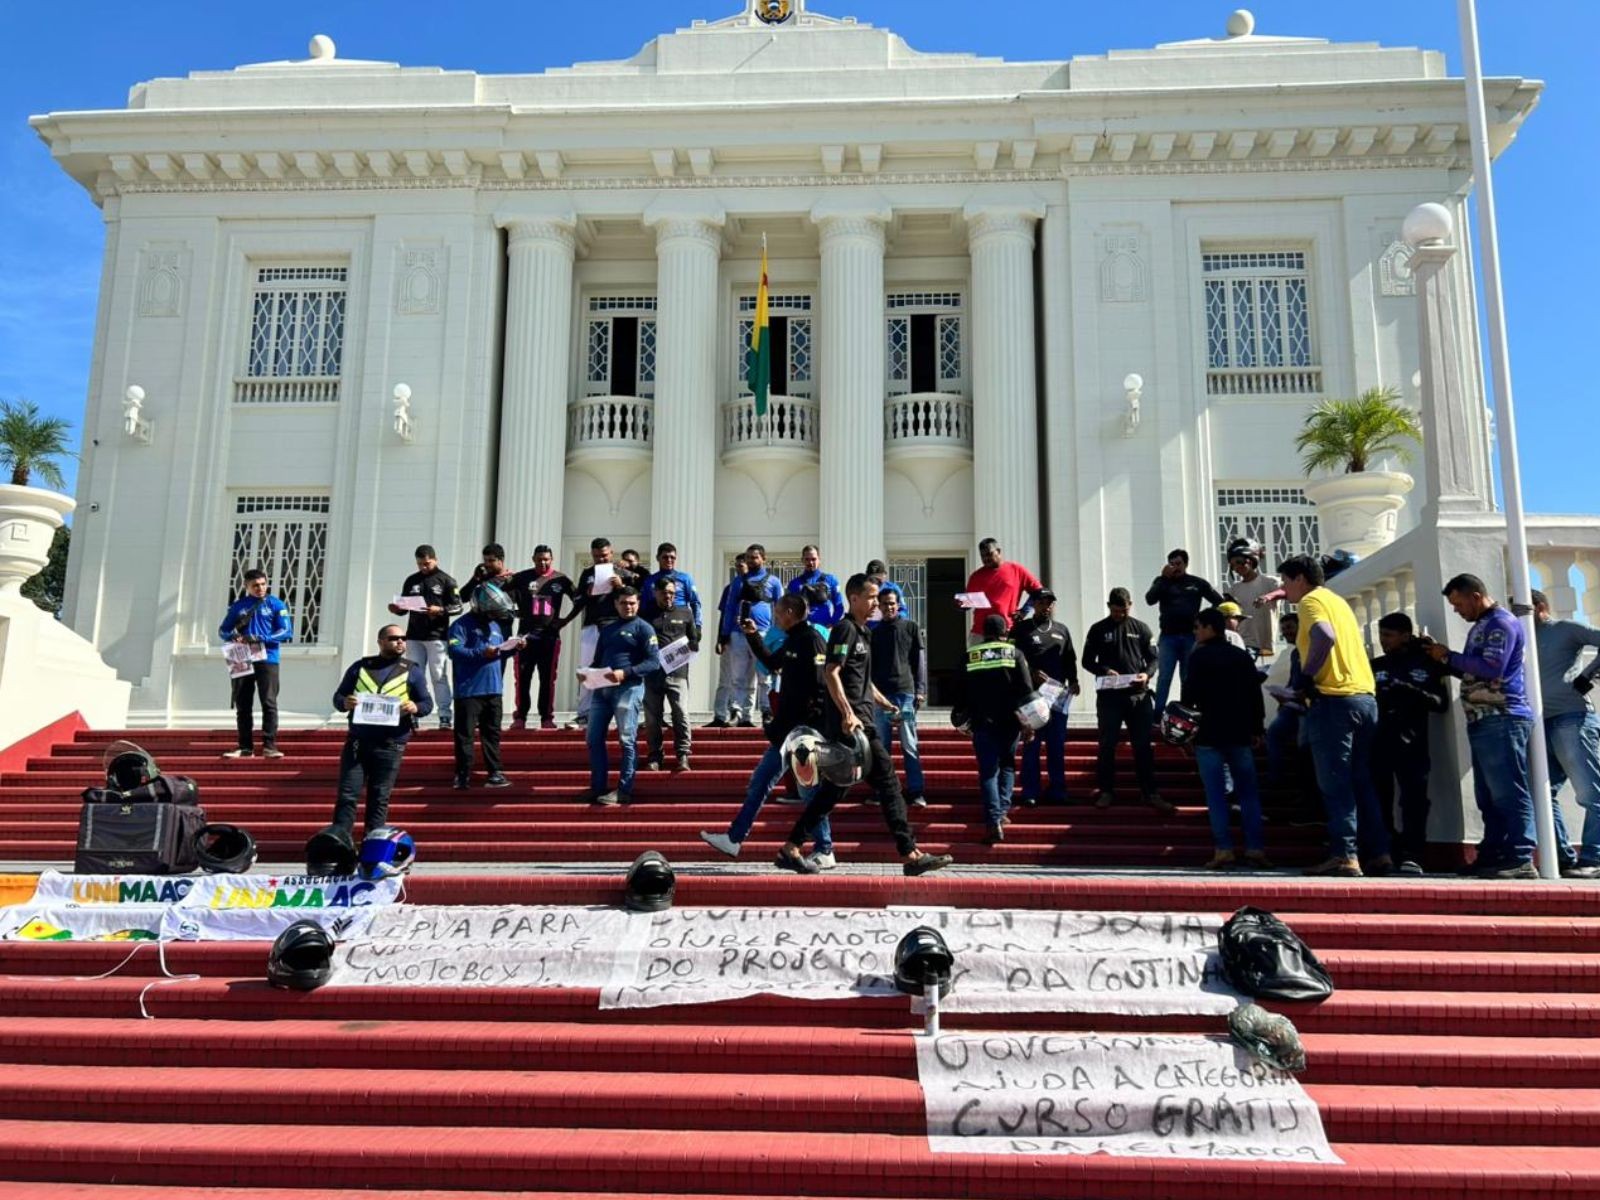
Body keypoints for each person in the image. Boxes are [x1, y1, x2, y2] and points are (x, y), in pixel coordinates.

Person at [774, 574, 953, 876]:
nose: (876, 604)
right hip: (853, 728)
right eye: (871, 597)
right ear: (854, 598)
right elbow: (832, 673)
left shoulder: (863, 632)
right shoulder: (844, 630)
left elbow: (863, 680)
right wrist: (847, 713)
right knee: (890, 784)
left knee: (832, 792)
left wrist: (883, 701)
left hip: (862, 719)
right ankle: (910, 854)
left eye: (878, 598)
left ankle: (791, 847)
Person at [700, 593, 835, 867]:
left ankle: (825, 848)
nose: (774, 617)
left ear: (790, 612)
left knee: (808, 789)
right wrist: (752, 636)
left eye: (777, 612)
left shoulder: (811, 639)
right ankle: (734, 839)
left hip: (802, 732)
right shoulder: (793, 640)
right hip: (786, 731)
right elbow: (772, 663)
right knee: (761, 783)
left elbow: (822, 685)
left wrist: (812, 726)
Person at [1279, 554, 1389, 877]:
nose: (1284, 589)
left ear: (1300, 578)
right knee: (1361, 781)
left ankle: (1344, 854)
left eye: (1285, 582)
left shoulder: (1310, 601)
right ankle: (1379, 852)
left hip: (1333, 701)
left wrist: (1305, 677)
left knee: (1336, 783)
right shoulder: (1337, 602)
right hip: (1364, 698)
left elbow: (1324, 636)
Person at [1424, 573, 1537, 878]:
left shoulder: (1500, 623)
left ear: (1475, 596)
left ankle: (1520, 856)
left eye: (1458, 603)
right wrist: (1445, 659)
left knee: (1508, 791)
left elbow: (1492, 668)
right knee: (1488, 795)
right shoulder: (1483, 627)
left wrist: (1449, 655)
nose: (1457, 610)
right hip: (1483, 718)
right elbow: (1477, 673)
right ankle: (1494, 853)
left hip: (1501, 716)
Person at [1182, 609, 1269, 870]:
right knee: (1248, 794)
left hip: (1208, 734)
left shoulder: (1199, 658)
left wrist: (1186, 730)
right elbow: (1255, 695)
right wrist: (1257, 728)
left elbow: (1189, 695)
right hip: (1240, 733)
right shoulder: (1241, 657)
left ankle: (1224, 850)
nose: (1195, 632)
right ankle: (1255, 849)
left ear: (1210, 628)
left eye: (1198, 627)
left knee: (1216, 795)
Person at [329, 625, 433, 837]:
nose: (400, 642)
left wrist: (415, 707)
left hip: (391, 744)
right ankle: (340, 843)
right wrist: (345, 703)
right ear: (381, 641)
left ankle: (371, 845)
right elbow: (338, 697)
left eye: (403, 638)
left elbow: (426, 703)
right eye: (394, 638)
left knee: (379, 797)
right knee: (347, 794)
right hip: (358, 743)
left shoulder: (412, 669)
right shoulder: (360, 667)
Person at [1371, 612, 1450, 875]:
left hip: (1413, 743)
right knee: (1380, 799)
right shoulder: (1375, 665)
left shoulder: (1425, 664)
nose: (1384, 641)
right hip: (1379, 743)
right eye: (1381, 635)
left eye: (1389, 635)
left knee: (1414, 801)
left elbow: (1441, 704)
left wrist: (1411, 691)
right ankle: (1385, 851)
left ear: (1405, 635)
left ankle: (1412, 853)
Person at [1532, 589, 1600, 877]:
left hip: (1572, 717)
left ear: (1541, 606)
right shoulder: (1521, 637)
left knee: (1590, 792)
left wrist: (1588, 675)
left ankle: (1594, 859)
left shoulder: (1565, 629)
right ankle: (1562, 857)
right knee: (1542, 793)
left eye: (1522, 605)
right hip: (1539, 723)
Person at [1081, 588, 1166, 812]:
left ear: (1130, 605)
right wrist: (1104, 670)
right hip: (1109, 697)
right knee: (1107, 744)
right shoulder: (1098, 629)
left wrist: (1147, 674)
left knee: (1143, 746)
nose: (1121, 614)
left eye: (1125, 609)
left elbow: (1154, 659)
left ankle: (1150, 792)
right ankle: (1106, 791)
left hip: (1138, 696)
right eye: (1117, 610)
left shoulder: (1141, 628)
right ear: (1109, 606)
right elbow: (1087, 661)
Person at [581, 585, 662, 807]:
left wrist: (625, 673)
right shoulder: (607, 629)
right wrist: (587, 673)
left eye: (632, 603)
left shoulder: (644, 629)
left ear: (638, 604)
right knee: (593, 739)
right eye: (624, 603)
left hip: (629, 689)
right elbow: (598, 660)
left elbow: (653, 662)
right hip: (601, 690)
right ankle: (598, 787)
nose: (628, 607)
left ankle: (624, 790)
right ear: (616, 604)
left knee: (627, 740)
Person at [961, 614, 1036, 844]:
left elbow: (960, 691)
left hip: (982, 722)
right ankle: (1002, 812)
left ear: (983, 633)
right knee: (1007, 766)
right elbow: (1026, 691)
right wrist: (1029, 723)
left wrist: (965, 720)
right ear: (1005, 632)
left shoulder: (971, 655)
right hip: (1011, 721)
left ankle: (993, 820)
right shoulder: (1015, 654)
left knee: (988, 772)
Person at [1012, 589, 1080, 806]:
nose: (1047, 606)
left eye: (1050, 603)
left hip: (1057, 696)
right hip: (1031, 697)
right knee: (1032, 744)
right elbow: (1013, 657)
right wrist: (1030, 671)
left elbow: (1070, 658)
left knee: (1056, 744)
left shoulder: (1062, 630)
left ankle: (1057, 790)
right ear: (1034, 605)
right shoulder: (1021, 629)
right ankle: (1030, 791)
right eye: (1042, 602)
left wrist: (1074, 680)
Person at [218, 568, 294, 760]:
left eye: (262, 584)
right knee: (243, 704)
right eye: (255, 585)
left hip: (267, 658)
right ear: (247, 587)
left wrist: (261, 637)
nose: (260, 588)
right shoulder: (238, 606)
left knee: (269, 702)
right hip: (241, 656)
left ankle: (269, 746)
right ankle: (245, 747)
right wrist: (233, 635)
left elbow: (286, 632)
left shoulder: (276, 604)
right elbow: (223, 630)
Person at [446, 587, 514, 790]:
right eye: (492, 612)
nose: (494, 616)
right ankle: (463, 774)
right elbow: (455, 650)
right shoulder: (460, 625)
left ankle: (494, 772)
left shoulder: (495, 627)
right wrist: (482, 652)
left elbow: (498, 653)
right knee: (465, 735)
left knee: (492, 733)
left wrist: (512, 649)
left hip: (493, 689)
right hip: (469, 690)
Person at [1145, 549, 1224, 715]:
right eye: (1172, 564)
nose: (1175, 567)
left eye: (1179, 564)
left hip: (1191, 637)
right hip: (1168, 637)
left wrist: (1204, 619)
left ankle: (1184, 712)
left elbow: (1218, 601)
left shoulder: (1197, 583)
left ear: (1186, 564)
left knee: (1187, 677)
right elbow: (1149, 599)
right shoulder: (1161, 581)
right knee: (1164, 677)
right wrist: (1164, 579)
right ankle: (1157, 714)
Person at [389, 545, 460, 731]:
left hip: (436, 636)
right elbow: (404, 608)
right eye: (420, 564)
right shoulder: (411, 580)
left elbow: (458, 607)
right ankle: (413, 714)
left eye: (427, 563)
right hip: (414, 636)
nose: (424, 567)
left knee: (439, 676)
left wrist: (441, 610)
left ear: (435, 560)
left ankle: (444, 715)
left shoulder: (446, 580)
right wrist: (397, 609)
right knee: (413, 676)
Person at [870, 587, 928, 808]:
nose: (889, 607)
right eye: (884, 604)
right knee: (881, 747)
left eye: (892, 603)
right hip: (881, 697)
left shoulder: (911, 628)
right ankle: (881, 791)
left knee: (909, 744)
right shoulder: (873, 632)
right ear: (879, 606)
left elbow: (919, 661)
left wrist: (920, 690)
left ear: (899, 604)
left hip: (905, 694)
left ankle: (916, 792)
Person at [508, 545, 576, 731]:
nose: (543, 563)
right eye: (539, 560)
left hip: (550, 637)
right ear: (533, 559)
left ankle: (546, 717)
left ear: (551, 559)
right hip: (525, 637)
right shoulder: (521, 577)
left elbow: (579, 600)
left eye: (546, 559)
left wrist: (565, 620)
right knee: (522, 678)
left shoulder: (560, 579)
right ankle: (520, 716)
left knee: (547, 678)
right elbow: (501, 593)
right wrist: (512, 612)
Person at [562, 537, 625, 730]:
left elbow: (635, 597)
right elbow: (577, 599)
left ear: (611, 553)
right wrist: (587, 594)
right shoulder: (587, 573)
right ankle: (584, 714)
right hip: (591, 626)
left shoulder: (622, 572)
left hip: (615, 626)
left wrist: (620, 586)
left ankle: (622, 713)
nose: (601, 560)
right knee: (588, 668)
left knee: (617, 668)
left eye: (604, 556)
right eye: (597, 557)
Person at [718, 543, 784, 727]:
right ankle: (738, 713)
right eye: (748, 557)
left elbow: (781, 608)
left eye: (754, 557)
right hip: (738, 635)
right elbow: (730, 609)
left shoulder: (774, 582)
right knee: (738, 676)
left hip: (764, 635)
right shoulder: (738, 582)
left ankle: (766, 711)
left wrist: (779, 636)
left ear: (763, 558)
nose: (750, 560)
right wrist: (724, 635)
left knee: (764, 677)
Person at [644, 577, 698, 773]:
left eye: (672, 593)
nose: (668, 596)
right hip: (652, 673)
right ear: (655, 592)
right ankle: (654, 756)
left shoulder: (685, 612)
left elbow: (694, 640)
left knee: (681, 713)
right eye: (664, 592)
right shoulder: (645, 613)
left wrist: (686, 649)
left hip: (678, 672)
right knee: (652, 717)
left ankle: (683, 755)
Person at [964, 538, 1042, 645]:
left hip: (1007, 632)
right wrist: (960, 603)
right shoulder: (975, 576)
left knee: (1009, 661)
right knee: (975, 661)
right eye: (982, 556)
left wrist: (1024, 611)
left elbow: (1038, 591)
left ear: (999, 551)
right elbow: (967, 604)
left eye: (989, 554)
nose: (986, 558)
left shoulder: (1016, 570)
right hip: (980, 633)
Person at [706, 553, 749, 728]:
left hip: (751, 637)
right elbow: (724, 614)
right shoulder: (730, 588)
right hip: (730, 637)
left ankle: (744, 715)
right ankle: (719, 715)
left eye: (743, 565)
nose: (740, 569)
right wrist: (720, 638)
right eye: (737, 566)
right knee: (725, 678)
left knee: (746, 679)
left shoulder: (760, 586)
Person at [1224, 537, 1281, 659]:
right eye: (1233, 565)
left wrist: (1268, 597)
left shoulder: (1271, 582)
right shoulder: (1234, 589)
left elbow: (1286, 591)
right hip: (1242, 641)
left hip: (1260, 640)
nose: (1236, 568)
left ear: (1250, 560)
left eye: (1239, 562)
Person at [640, 542, 704, 628]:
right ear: (657, 558)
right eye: (665, 557)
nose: (669, 560)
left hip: (680, 621)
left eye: (672, 557)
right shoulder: (649, 580)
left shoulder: (685, 578)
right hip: (656, 621)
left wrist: (698, 625)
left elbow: (695, 603)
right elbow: (644, 605)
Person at [788, 544, 844, 627]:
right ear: (802, 560)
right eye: (807, 559)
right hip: (802, 631)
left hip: (824, 630)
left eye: (813, 559)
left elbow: (839, 606)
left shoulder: (831, 580)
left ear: (819, 560)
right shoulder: (794, 584)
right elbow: (789, 609)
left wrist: (832, 623)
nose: (810, 562)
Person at [864, 559, 903, 628]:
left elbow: (903, 610)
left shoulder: (893, 588)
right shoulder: (863, 588)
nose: (875, 581)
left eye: (878, 578)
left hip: (888, 627)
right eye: (872, 578)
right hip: (867, 626)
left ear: (884, 575)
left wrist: (894, 622)